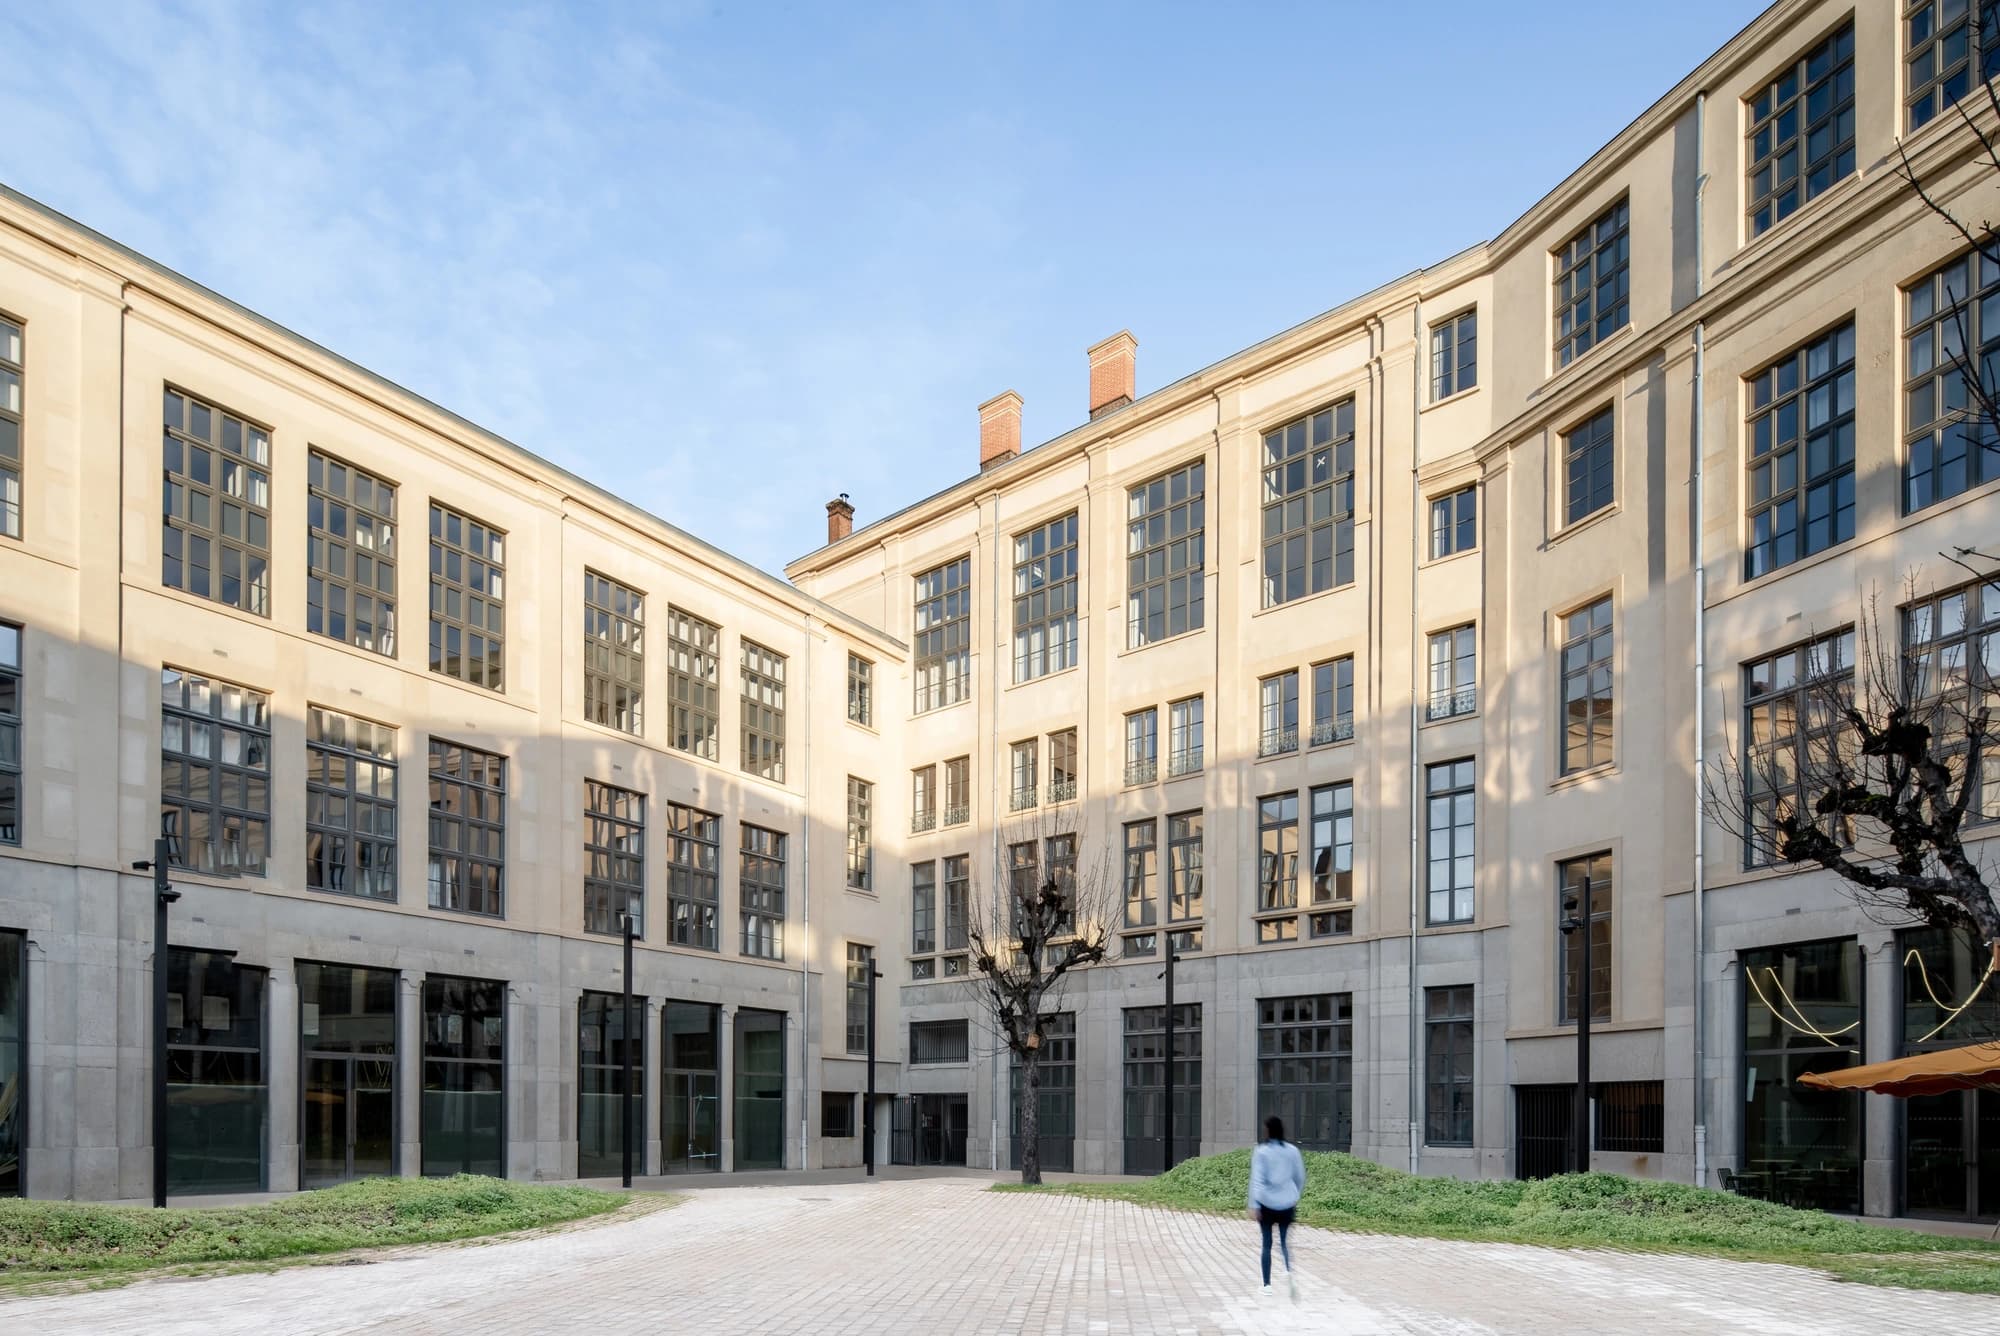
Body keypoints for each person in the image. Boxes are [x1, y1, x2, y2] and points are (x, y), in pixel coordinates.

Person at [1247, 1114, 1307, 1299]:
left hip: (1266, 1203)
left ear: (1267, 1131)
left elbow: (1257, 1179)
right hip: (1287, 1203)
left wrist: (1254, 1204)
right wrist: (1295, 1194)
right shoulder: (1292, 1151)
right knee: (1284, 1243)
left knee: (1267, 1244)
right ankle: (1288, 1271)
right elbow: (1300, 1177)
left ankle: (1267, 1285)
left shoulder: (1261, 1151)